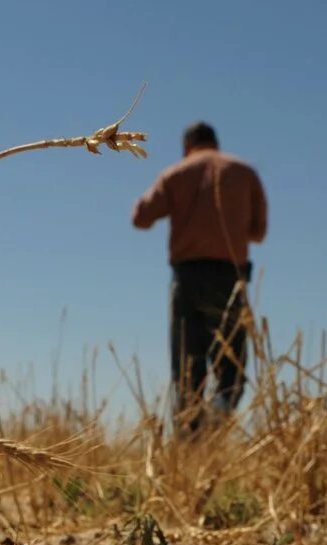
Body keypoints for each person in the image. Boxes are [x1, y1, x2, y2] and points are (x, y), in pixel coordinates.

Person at [131, 121, 267, 436]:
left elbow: (140, 218)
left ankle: (191, 441)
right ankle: (213, 430)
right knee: (231, 373)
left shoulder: (175, 174)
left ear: (187, 145)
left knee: (188, 370)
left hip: (187, 279)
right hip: (230, 278)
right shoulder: (245, 173)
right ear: (215, 142)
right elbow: (258, 233)